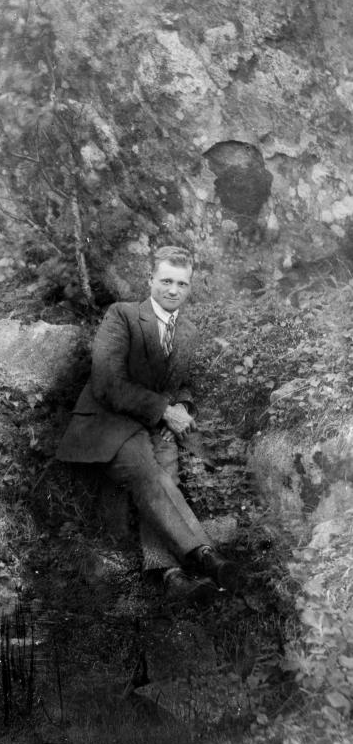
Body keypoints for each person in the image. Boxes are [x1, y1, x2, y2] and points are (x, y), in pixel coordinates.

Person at [56, 245, 238, 600]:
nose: (173, 290)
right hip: (109, 423)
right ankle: (204, 554)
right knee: (147, 471)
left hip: (154, 424)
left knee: (166, 469)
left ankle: (171, 575)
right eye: (166, 281)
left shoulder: (188, 332)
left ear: (189, 287)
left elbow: (182, 382)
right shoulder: (122, 315)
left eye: (182, 284)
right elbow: (107, 382)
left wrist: (181, 406)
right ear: (150, 279)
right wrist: (164, 410)